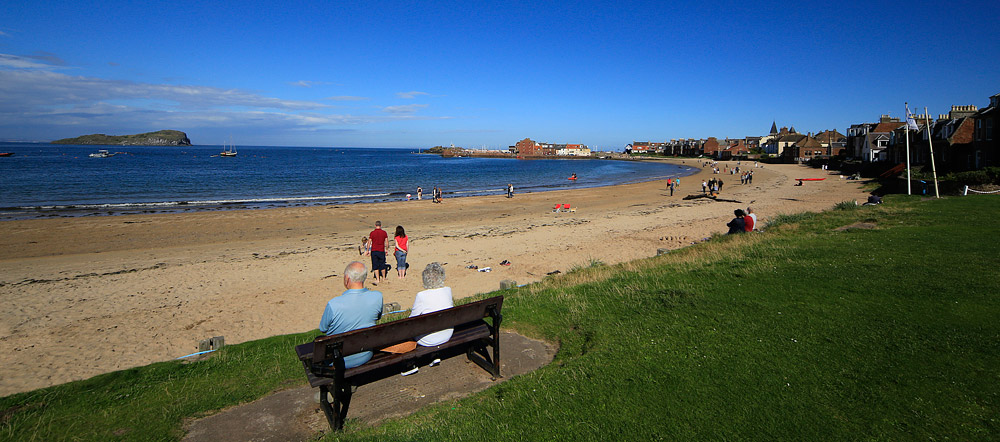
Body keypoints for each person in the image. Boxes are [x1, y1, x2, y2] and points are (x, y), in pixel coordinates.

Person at [318, 261, 383, 369]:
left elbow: (323, 328)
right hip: (365, 354)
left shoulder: (334, 304)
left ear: (347, 278)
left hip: (338, 360)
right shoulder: (377, 297)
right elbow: (378, 317)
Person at [409, 262, 454, 347]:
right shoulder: (448, 291)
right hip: (447, 333)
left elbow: (411, 320)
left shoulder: (421, 296)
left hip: (427, 339)